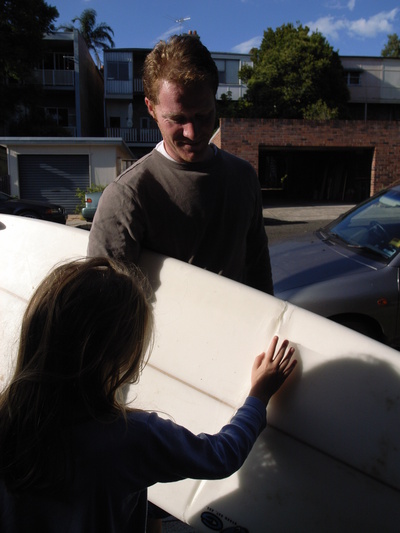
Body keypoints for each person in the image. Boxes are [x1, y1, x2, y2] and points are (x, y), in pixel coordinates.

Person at [0, 257, 296, 533]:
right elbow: (221, 456)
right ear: (121, 355)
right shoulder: (132, 438)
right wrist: (258, 395)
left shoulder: (8, 422)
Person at [87, 34, 273, 295]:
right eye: (177, 119)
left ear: (215, 101)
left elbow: (258, 268)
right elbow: (104, 302)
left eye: (203, 115)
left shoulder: (244, 177)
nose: (193, 132)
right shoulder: (126, 196)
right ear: (151, 108)